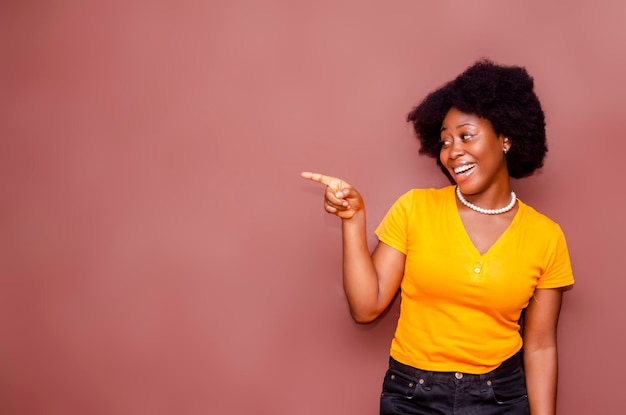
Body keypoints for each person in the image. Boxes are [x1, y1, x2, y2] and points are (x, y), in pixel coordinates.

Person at [301, 59, 574, 415]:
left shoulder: (546, 236)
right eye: (445, 141)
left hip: (500, 399)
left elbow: (539, 348)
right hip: (413, 397)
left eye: (466, 135)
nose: (453, 151)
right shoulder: (415, 209)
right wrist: (353, 220)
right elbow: (366, 307)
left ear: (505, 137)